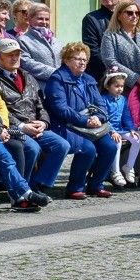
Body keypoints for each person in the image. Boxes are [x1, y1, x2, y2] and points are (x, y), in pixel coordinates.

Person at [0, 38, 70, 192]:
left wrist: (44, 123)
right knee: (32, 148)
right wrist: (22, 126)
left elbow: (40, 104)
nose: (15, 58)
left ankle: (39, 184)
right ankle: (22, 189)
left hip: (35, 126)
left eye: (17, 54)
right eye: (9, 55)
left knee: (62, 145)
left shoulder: (28, 76)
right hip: (13, 128)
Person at [43, 43, 120, 199]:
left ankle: (96, 184)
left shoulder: (88, 79)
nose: (82, 62)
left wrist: (98, 118)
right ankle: (75, 187)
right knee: (87, 149)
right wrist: (85, 120)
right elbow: (60, 108)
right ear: (66, 60)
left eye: (85, 59)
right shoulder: (57, 79)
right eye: (77, 59)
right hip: (65, 125)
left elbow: (101, 105)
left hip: (90, 126)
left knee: (110, 146)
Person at [0, 83, 51, 212]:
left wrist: (1, 128)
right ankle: (24, 193)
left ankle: (21, 195)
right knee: (4, 156)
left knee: (12, 151)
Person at [101, 0, 140, 88]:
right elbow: (110, 60)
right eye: (130, 13)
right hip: (125, 87)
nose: (135, 16)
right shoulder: (110, 35)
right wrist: (136, 79)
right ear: (119, 15)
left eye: (137, 13)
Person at [99, 71, 140, 187]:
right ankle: (115, 171)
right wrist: (112, 131)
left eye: (121, 86)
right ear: (108, 86)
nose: (120, 89)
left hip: (121, 128)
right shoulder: (103, 99)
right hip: (107, 130)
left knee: (137, 139)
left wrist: (131, 129)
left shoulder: (122, 99)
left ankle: (128, 167)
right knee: (117, 143)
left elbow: (126, 115)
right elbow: (104, 117)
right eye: (116, 86)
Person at [81, 0, 121, 79]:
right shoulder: (91, 18)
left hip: (125, 75)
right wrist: (113, 68)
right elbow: (92, 49)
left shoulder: (125, 16)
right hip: (101, 75)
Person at [16, 3, 63, 83]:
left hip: (60, 87)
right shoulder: (23, 40)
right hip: (38, 88)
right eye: (40, 19)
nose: (44, 22)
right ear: (30, 19)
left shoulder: (56, 41)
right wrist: (55, 73)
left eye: (47, 19)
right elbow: (27, 63)